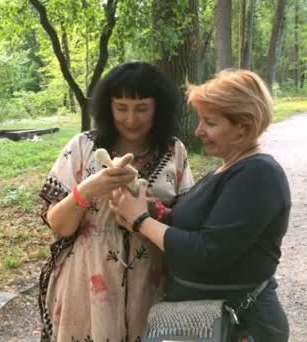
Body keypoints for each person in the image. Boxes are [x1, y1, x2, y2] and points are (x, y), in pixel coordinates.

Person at [110, 69, 291, 341]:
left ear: (243, 126)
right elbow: (202, 224)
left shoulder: (258, 175)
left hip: (238, 326)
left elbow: (208, 252)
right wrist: (157, 211)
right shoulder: (229, 167)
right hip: (203, 321)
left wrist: (141, 222)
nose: (198, 131)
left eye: (210, 123)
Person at [37, 61, 194, 342]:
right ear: (107, 107)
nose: (131, 119)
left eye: (142, 108)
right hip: (87, 281)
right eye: (121, 107)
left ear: (159, 107)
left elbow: (187, 221)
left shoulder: (174, 151)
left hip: (153, 283)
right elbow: (59, 226)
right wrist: (87, 190)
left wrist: (153, 211)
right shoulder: (82, 147)